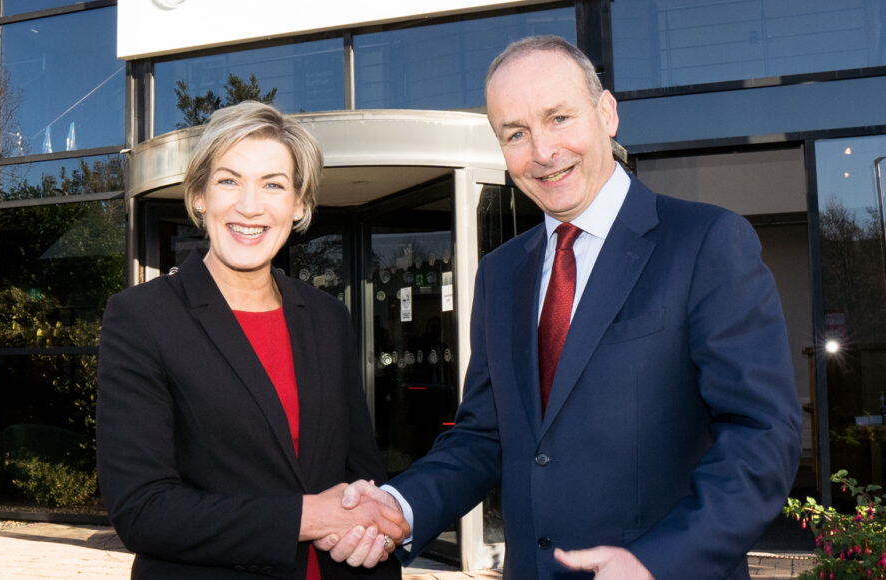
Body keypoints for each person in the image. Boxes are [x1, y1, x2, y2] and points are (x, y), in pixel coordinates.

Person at [330, 36, 801, 579]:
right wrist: (399, 506)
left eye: (558, 118)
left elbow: (761, 436)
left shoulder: (706, 242)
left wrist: (658, 562)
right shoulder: (501, 273)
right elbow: (484, 437)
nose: (543, 151)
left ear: (607, 113)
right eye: (516, 133)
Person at [97, 101, 408, 579]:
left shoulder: (328, 317)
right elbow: (143, 509)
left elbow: (361, 471)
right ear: (199, 196)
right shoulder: (142, 318)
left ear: (299, 204)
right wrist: (310, 517)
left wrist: (374, 531)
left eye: (273, 185)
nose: (249, 205)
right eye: (229, 181)